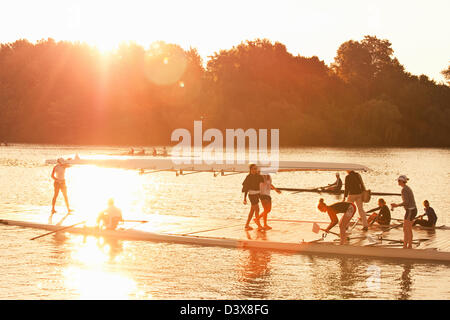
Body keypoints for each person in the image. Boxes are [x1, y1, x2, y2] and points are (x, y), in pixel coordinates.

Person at [391, 175, 417, 249]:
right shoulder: (406, 188)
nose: (398, 182)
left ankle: (408, 246)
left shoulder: (404, 190)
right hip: (412, 210)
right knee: (406, 228)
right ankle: (406, 245)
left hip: (410, 210)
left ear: (403, 181)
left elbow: (406, 202)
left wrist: (396, 205)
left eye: (399, 181)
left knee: (407, 228)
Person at [242, 164, 264, 231]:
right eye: (253, 169)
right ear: (250, 170)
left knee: (252, 211)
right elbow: (246, 188)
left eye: (255, 169)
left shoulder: (258, 176)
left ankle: (246, 225)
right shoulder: (248, 177)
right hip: (251, 195)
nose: (255, 170)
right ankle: (259, 225)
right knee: (257, 209)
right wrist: (245, 198)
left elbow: (262, 183)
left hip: (257, 194)